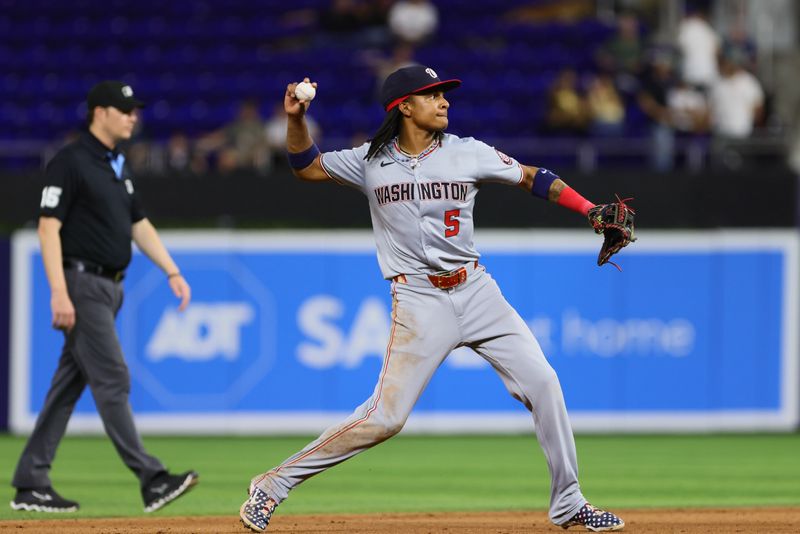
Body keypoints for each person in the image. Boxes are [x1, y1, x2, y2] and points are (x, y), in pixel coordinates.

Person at [239, 66, 626, 532]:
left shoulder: (468, 152)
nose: (444, 102)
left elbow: (530, 177)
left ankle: (568, 502)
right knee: (385, 417)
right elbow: (307, 166)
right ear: (405, 106)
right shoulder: (370, 161)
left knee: (544, 382)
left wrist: (588, 210)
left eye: (444, 94)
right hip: (419, 300)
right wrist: (297, 119)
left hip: (478, 291)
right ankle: (271, 486)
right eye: (432, 95)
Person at [10, 81, 199, 513]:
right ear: (100, 112)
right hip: (82, 285)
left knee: (68, 385)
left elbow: (139, 224)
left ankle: (30, 481)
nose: (134, 116)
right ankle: (152, 479)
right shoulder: (71, 161)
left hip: (109, 287)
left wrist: (171, 269)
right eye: (125, 109)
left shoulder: (115, 164)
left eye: (134, 110)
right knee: (113, 377)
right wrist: (59, 291)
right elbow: (47, 226)